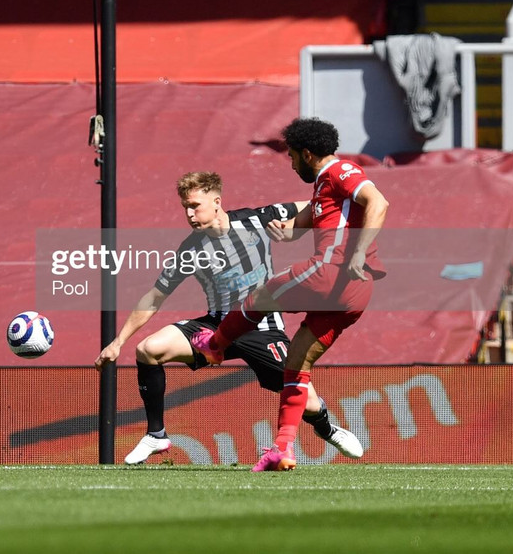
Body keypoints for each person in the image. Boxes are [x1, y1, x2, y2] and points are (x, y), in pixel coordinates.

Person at [95, 172, 363, 465]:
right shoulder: (190, 250)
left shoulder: (256, 220)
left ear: (217, 202)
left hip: (263, 328)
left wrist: (344, 210)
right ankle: (156, 434)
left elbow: (316, 205)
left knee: (308, 403)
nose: (189, 214)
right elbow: (155, 297)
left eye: (195, 205)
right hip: (217, 327)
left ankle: (326, 428)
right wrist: (118, 341)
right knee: (148, 350)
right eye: (185, 207)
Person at [192, 118, 389, 472]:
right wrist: (288, 231)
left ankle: (216, 344)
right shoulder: (322, 190)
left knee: (259, 296)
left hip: (334, 271)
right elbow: (315, 221)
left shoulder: (340, 170)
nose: (292, 164)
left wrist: (359, 251)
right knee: (296, 365)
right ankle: (282, 449)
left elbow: (378, 202)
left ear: (308, 154)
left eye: (293, 157)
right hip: (355, 294)